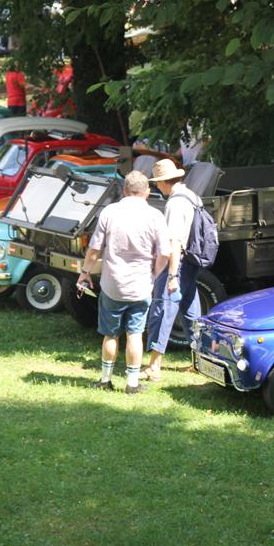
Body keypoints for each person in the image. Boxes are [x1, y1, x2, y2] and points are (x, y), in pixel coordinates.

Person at [77, 170, 170, 394]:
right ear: (147, 192)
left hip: (113, 285)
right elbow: (165, 253)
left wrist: (85, 273)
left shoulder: (110, 212)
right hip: (141, 286)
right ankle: (132, 383)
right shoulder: (155, 216)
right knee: (135, 334)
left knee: (110, 334)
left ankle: (105, 379)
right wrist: (154, 275)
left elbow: (94, 250)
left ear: (124, 190)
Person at [143, 159, 205, 382]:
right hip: (191, 262)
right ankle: (200, 361)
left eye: (157, 182)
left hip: (177, 263)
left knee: (163, 309)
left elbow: (175, 242)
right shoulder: (191, 196)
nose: (156, 187)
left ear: (162, 182)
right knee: (191, 312)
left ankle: (154, 365)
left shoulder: (175, 204)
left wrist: (170, 275)